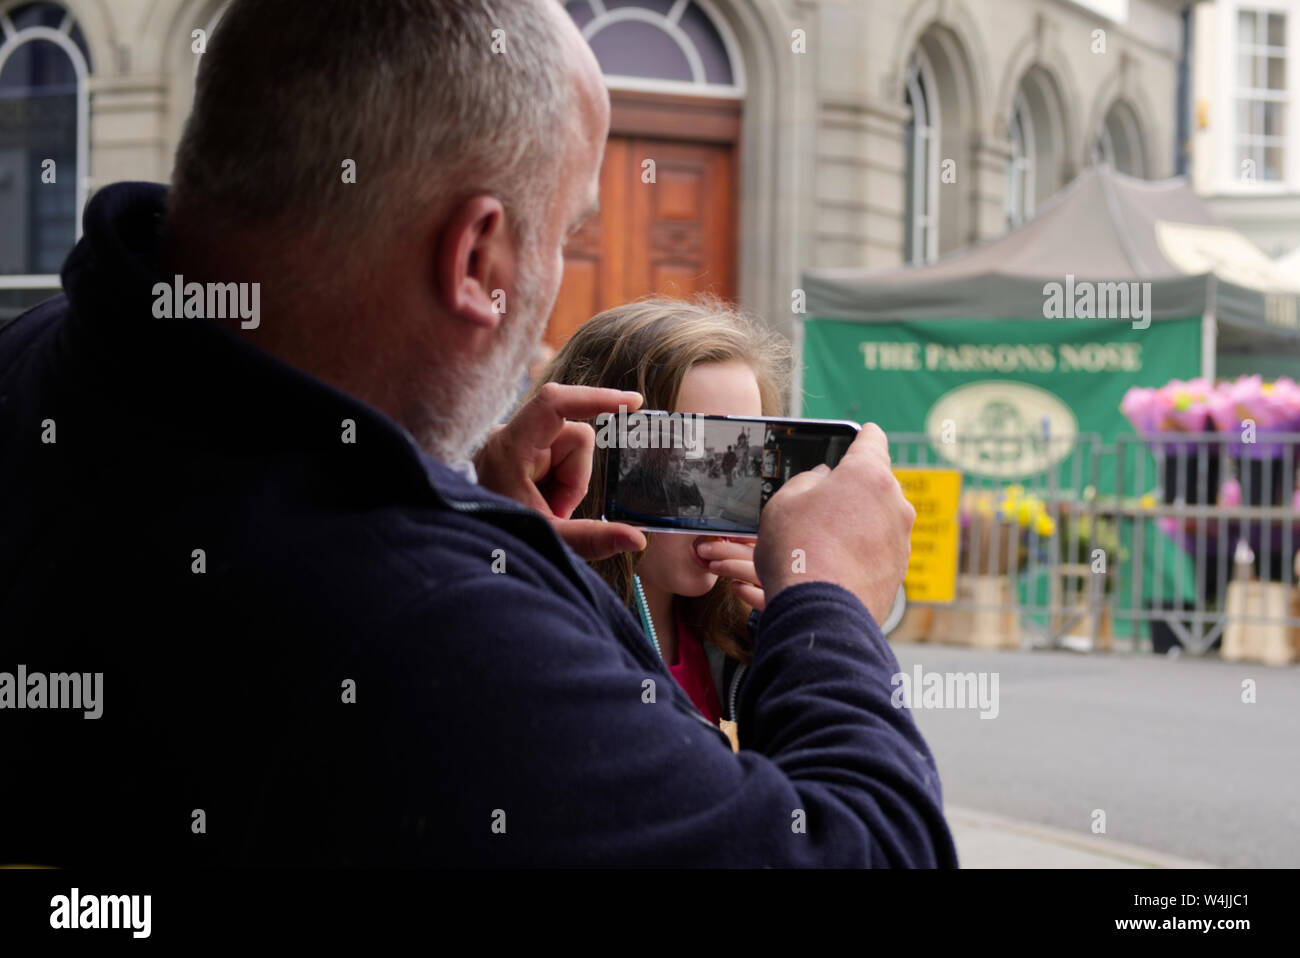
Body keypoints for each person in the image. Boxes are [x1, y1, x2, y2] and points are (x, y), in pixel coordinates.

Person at [0, 0, 955, 867]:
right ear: (475, 256)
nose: (555, 285)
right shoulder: (425, 625)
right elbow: (871, 854)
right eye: (567, 236)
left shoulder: (48, 359)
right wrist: (824, 598)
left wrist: (489, 529)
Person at [523, 297, 784, 749]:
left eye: (746, 459)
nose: (727, 496)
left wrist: (801, 639)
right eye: (691, 456)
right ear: (602, 459)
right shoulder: (551, 632)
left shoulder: (733, 627)